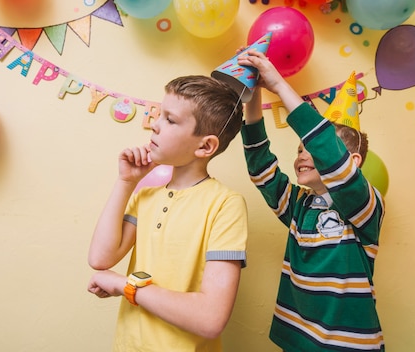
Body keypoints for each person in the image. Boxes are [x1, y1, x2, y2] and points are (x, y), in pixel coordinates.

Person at [237, 49, 385, 351]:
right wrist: (252, 98)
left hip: (348, 345)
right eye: (299, 150)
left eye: (311, 149)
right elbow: (261, 168)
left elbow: (329, 154)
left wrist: (278, 85)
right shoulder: (299, 204)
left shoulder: (364, 208)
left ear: (353, 162)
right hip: (297, 339)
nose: (303, 155)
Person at [87, 75, 249, 351]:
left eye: (170, 120)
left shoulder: (225, 205)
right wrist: (126, 183)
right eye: (159, 115)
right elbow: (101, 258)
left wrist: (125, 285)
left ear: (205, 146)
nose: (154, 124)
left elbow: (210, 318)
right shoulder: (146, 195)